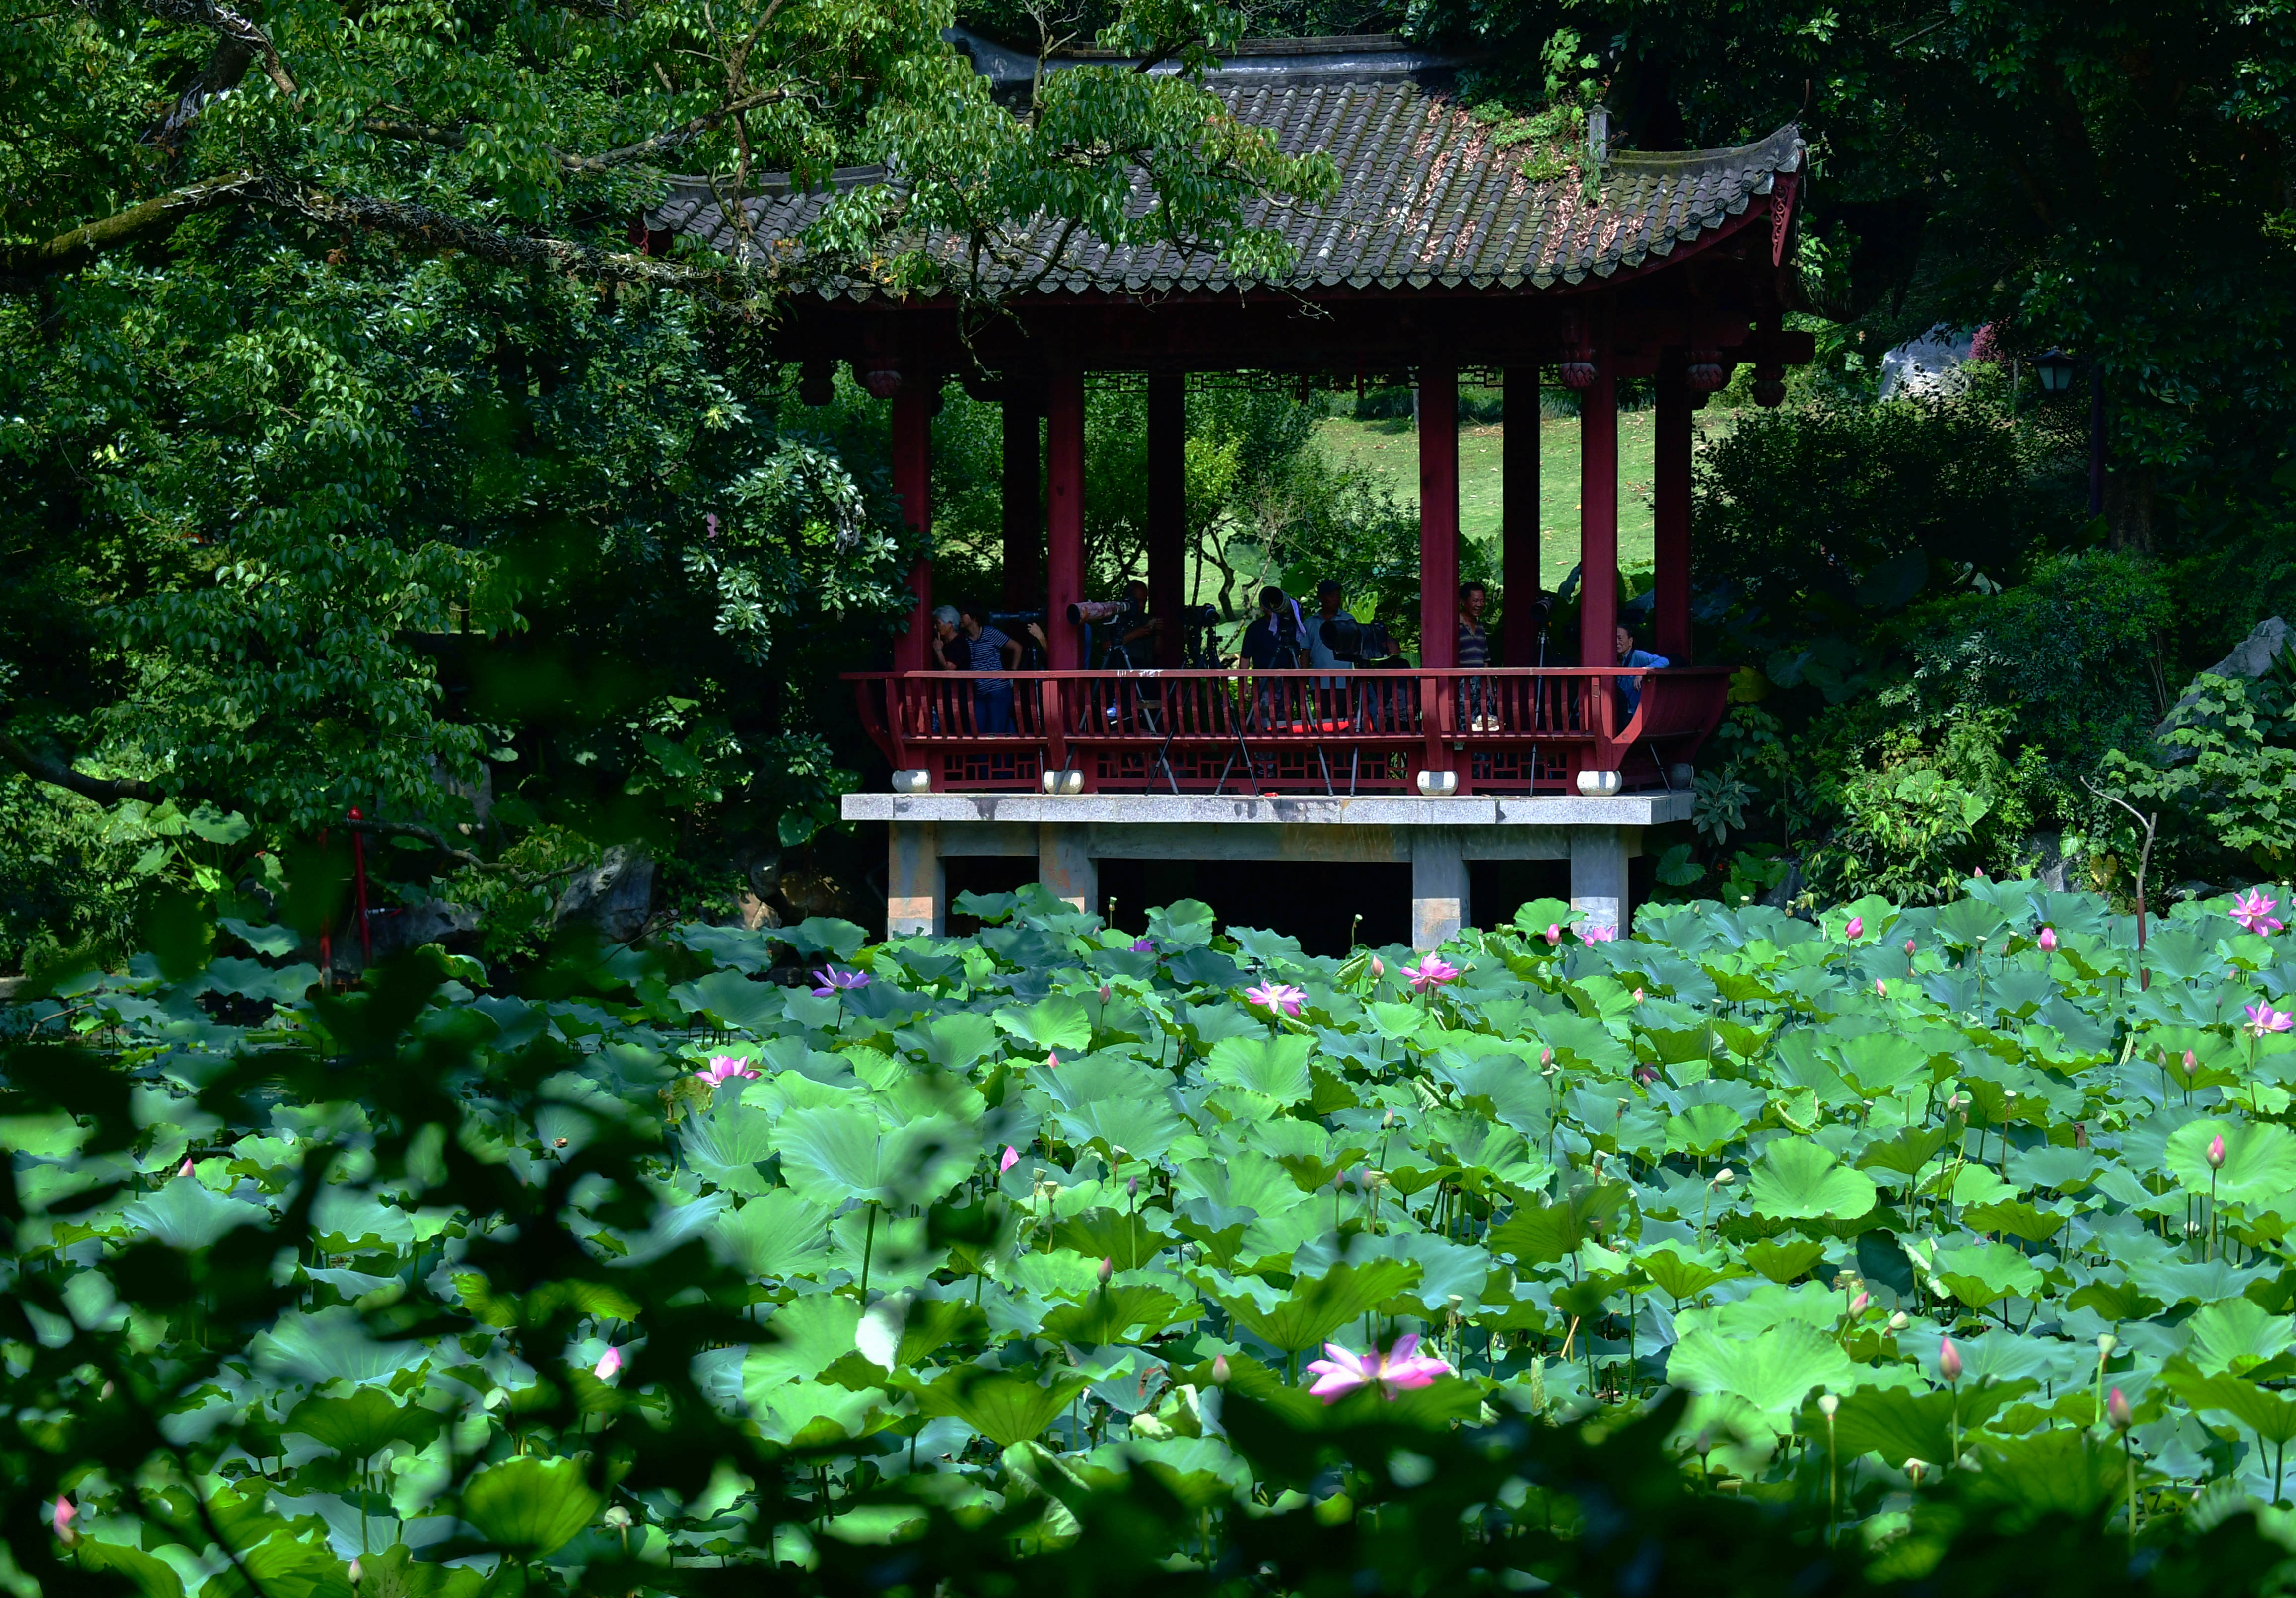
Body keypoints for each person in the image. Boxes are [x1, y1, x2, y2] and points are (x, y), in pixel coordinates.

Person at [931, 602, 1021, 733]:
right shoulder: (964, 640)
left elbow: (1017, 648)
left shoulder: (990, 633)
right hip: (978, 692)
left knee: (996, 732)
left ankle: (1003, 754)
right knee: (979, 733)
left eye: (963, 614)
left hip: (997, 690)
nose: (960, 618)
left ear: (974, 618)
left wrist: (1012, 675)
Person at [1457, 581, 1496, 732]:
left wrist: (1491, 689)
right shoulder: (1454, 625)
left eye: (1482, 601)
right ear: (1463, 602)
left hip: (1482, 683)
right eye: (1475, 601)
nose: (1480, 605)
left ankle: (1482, 757)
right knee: (1464, 723)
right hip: (1463, 684)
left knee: (1485, 724)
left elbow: (1486, 661)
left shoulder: (1480, 627)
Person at [1240, 585, 1304, 670]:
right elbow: (1245, 657)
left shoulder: (1289, 626)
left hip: (1287, 681)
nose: (1272, 606)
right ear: (1262, 607)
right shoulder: (1254, 628)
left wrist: (1300, 680)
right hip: (1263, 679)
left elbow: (1296, 655)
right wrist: (1244, 682)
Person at [1614, 623, 1670, 718]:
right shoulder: (1611, 658)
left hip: (1635, 712)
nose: (1617, 642)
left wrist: (1643, 672)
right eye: (1614, 639)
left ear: (1631, 641)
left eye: (1620, 638)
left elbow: (1664, 661)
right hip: (1618, 711)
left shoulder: (1639, 656)